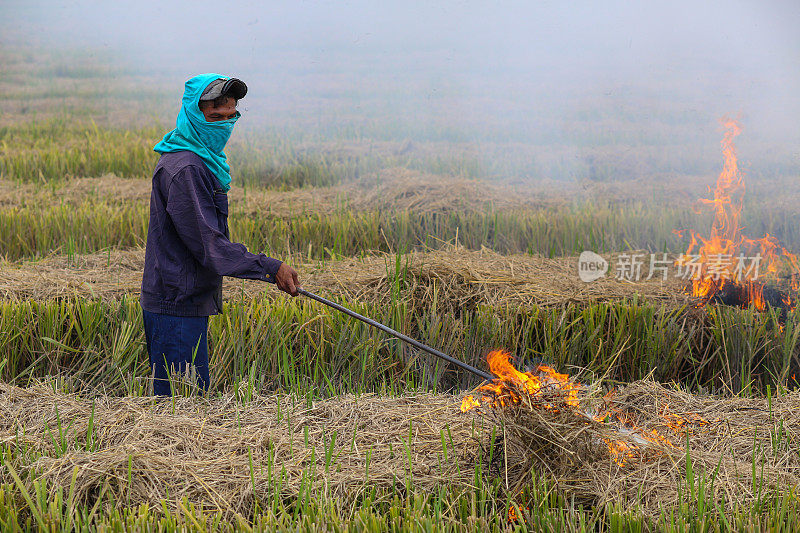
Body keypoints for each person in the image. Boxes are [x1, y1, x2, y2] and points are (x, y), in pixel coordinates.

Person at [140, 73, 300, 396]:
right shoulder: (187, 168)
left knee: (184, 406)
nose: (224, 126)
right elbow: (212, 248)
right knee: (181, 415)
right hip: (176, 307)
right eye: (215, 118)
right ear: (193, 115)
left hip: (184, 301)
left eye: (230, 117)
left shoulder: (199, 159)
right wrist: (270, 267)